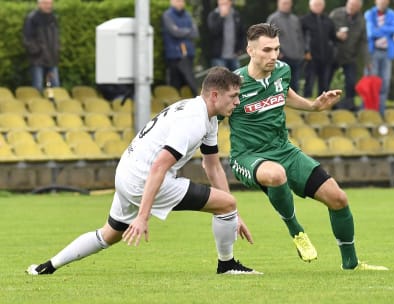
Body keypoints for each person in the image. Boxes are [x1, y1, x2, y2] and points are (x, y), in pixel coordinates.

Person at [26, 67, 261, 276]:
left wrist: (233, 215)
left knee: (109, 234)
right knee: (226, 203)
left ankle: (48, 265)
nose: (237, 102)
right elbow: (159, 166)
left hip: (126, 172)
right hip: (143, 178)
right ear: (214, 95)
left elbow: (212, 165)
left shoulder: (206, 117)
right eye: (233, 96)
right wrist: (142, 216)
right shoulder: (193, 121)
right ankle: (227, 265)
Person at [229, 23, 388, 271]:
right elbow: (209, 116)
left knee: (338, 199)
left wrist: (314, 105)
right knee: (276, 174)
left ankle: (352, 265)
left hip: (283, 149)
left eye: (277, 49)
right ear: (250, 50)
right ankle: (297, 231)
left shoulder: (282, 70)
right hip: (248, 156)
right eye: (266, 50)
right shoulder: (234, 84)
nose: (273, 56)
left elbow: (285, 94)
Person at [329, 0, 368, 112]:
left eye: (355, 6)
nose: (352, 8)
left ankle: (350, 105)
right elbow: (326, 31)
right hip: (333, 54)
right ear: (347, 4)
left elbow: (363, 41)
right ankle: (326, 103)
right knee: (327, 80)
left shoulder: (361, 20)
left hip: (350, 56)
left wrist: (367, 60)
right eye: (350, 5)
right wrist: (336, 35)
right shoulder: (335, 14)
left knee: (351, 82)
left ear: (359, 8)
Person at [364, 0, 394, 114]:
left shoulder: (392, 14)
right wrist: (387, 31)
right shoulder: (369, 14)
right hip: (372, 52)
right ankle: (368, 111)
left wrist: (380, 30)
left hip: (387, 53)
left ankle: (381, 111)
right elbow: (370, 33)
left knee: (384, 83)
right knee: (371, 82)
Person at [162, 0, 199, 97]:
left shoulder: (188, 15)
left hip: (188, 54)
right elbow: (174, 32)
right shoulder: (167, 15)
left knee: (189, 85)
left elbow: (195, 33)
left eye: (181, 1)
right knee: (175, 85)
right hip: (174, 56)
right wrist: (188, 31)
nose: (179, 3)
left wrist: (180, 31)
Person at [267, 0, 305, 92]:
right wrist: (277, 53)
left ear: (291, 4)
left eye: (288, 3)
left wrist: (301, 52)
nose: (286, 5)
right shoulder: (273, 18)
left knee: (295, 83)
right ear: (278, 4)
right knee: (281, 83)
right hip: (282, 57)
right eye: (284, 3)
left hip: (296, 57)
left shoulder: (295, 19)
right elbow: (269, 37)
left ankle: (295, 105)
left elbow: (300, 37)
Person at [22, 0, 60, 92]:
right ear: (39, 4)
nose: (48, 6)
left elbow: (56, 38)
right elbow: (27, 39)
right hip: (38, 59)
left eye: (50, 3)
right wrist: (37, 51)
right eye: (46, 3)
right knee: (38, 87)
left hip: (52, 59)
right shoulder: (32, 18)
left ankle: (54, 105)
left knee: (56, 87)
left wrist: (56, 49)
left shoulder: (53, 18)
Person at [301, 0, 337, 98]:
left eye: (320, 5)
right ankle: (306, 106)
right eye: (315, 5)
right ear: (310, 6)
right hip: (311, 57)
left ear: (323, 6)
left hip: (326, 58)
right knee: (309, 83)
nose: (318, 7)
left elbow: (333, 38)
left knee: (325, 85)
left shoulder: (328, 20)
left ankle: (322, 107)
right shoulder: (304, 20)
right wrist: (305, 51)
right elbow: (301, 38)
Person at [207, 0, 245, 71]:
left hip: (233, 56)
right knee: (221, 80)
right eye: (221, 4)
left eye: (225, 4)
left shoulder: (236, 15)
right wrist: (222, 17)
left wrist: (240, 48)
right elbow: (214, 32)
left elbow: (241, 33)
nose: (223, 6)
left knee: (237, 78)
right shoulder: (213, 15)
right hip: (219, 57)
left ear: (230, 3)